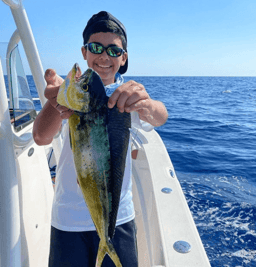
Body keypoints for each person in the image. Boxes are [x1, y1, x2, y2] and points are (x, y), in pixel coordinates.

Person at [33, 11, 168, 267]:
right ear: (84, 52)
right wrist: (59, 101)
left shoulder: (126, 99)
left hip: (118, 220)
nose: (104, 56)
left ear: (123, 57)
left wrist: (146, 103)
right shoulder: (71, 97)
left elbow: (161, 117)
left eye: (113, 50)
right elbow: (40, 137)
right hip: (67, 219)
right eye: (96, 47)